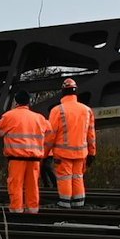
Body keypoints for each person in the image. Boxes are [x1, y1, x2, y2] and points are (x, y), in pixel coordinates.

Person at [0, 91, 49, 214]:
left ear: (16, 102)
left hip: (16, 158)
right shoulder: (39, 118)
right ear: (29, 102)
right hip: (34, 160)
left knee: (15, 185)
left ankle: (16, 210)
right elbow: (49, 131)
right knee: (32, 186)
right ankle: (33, 210)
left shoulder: (9, 116)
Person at [47, 77, 97, 207]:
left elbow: (50, 136)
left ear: (63, 92)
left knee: (65, 178)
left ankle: (64, 204)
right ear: (75, 92)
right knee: (78, 177)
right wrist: (92, 152)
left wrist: (44, 153)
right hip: (81, 153)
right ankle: (79, 203)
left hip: (62, 154)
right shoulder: (87, 110)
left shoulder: (57, 110)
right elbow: (91, 134)